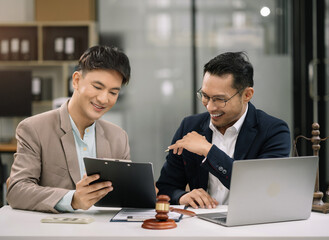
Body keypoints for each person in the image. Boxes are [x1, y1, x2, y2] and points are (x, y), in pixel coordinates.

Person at [156, 52, 291, 209]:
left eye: (220, 99)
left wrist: (208, 151)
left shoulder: (274, 131)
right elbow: (165, 188)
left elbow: (261, 187)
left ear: (247, 95)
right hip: (199, 225)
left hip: (250, 224)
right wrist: (183, 197)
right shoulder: (189, 126)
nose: (210, 107)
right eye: (205, 96)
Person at [6, 45, 131, 213]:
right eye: (97, 87)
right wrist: (72, 199)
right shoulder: (33, 129)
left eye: (113, 92)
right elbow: (17, 190)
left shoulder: (118, 137)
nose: (103, 99)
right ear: (76, 81)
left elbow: (126, 195)